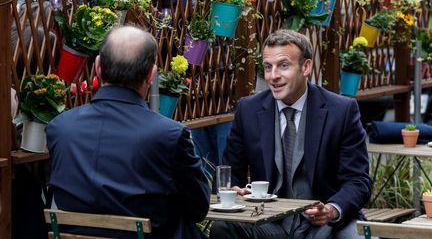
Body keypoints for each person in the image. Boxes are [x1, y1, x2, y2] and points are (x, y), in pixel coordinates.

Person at [47, 26, 211, 239]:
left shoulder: (60, 128)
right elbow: (198, 207)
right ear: (151, 74)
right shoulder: (168, 134)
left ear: (97, 67)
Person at [210, 29, 372, 239]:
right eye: (268, 67)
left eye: (283, 66)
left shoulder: (341, 111)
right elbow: (230, 174)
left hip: (325, 225)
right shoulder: (248, 110)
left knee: (356, 238)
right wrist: (234, 191)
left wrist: (332, 210)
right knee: (222, 227)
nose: (274, 76)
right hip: (266, 222)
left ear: (306, 67)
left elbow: (358, 181)